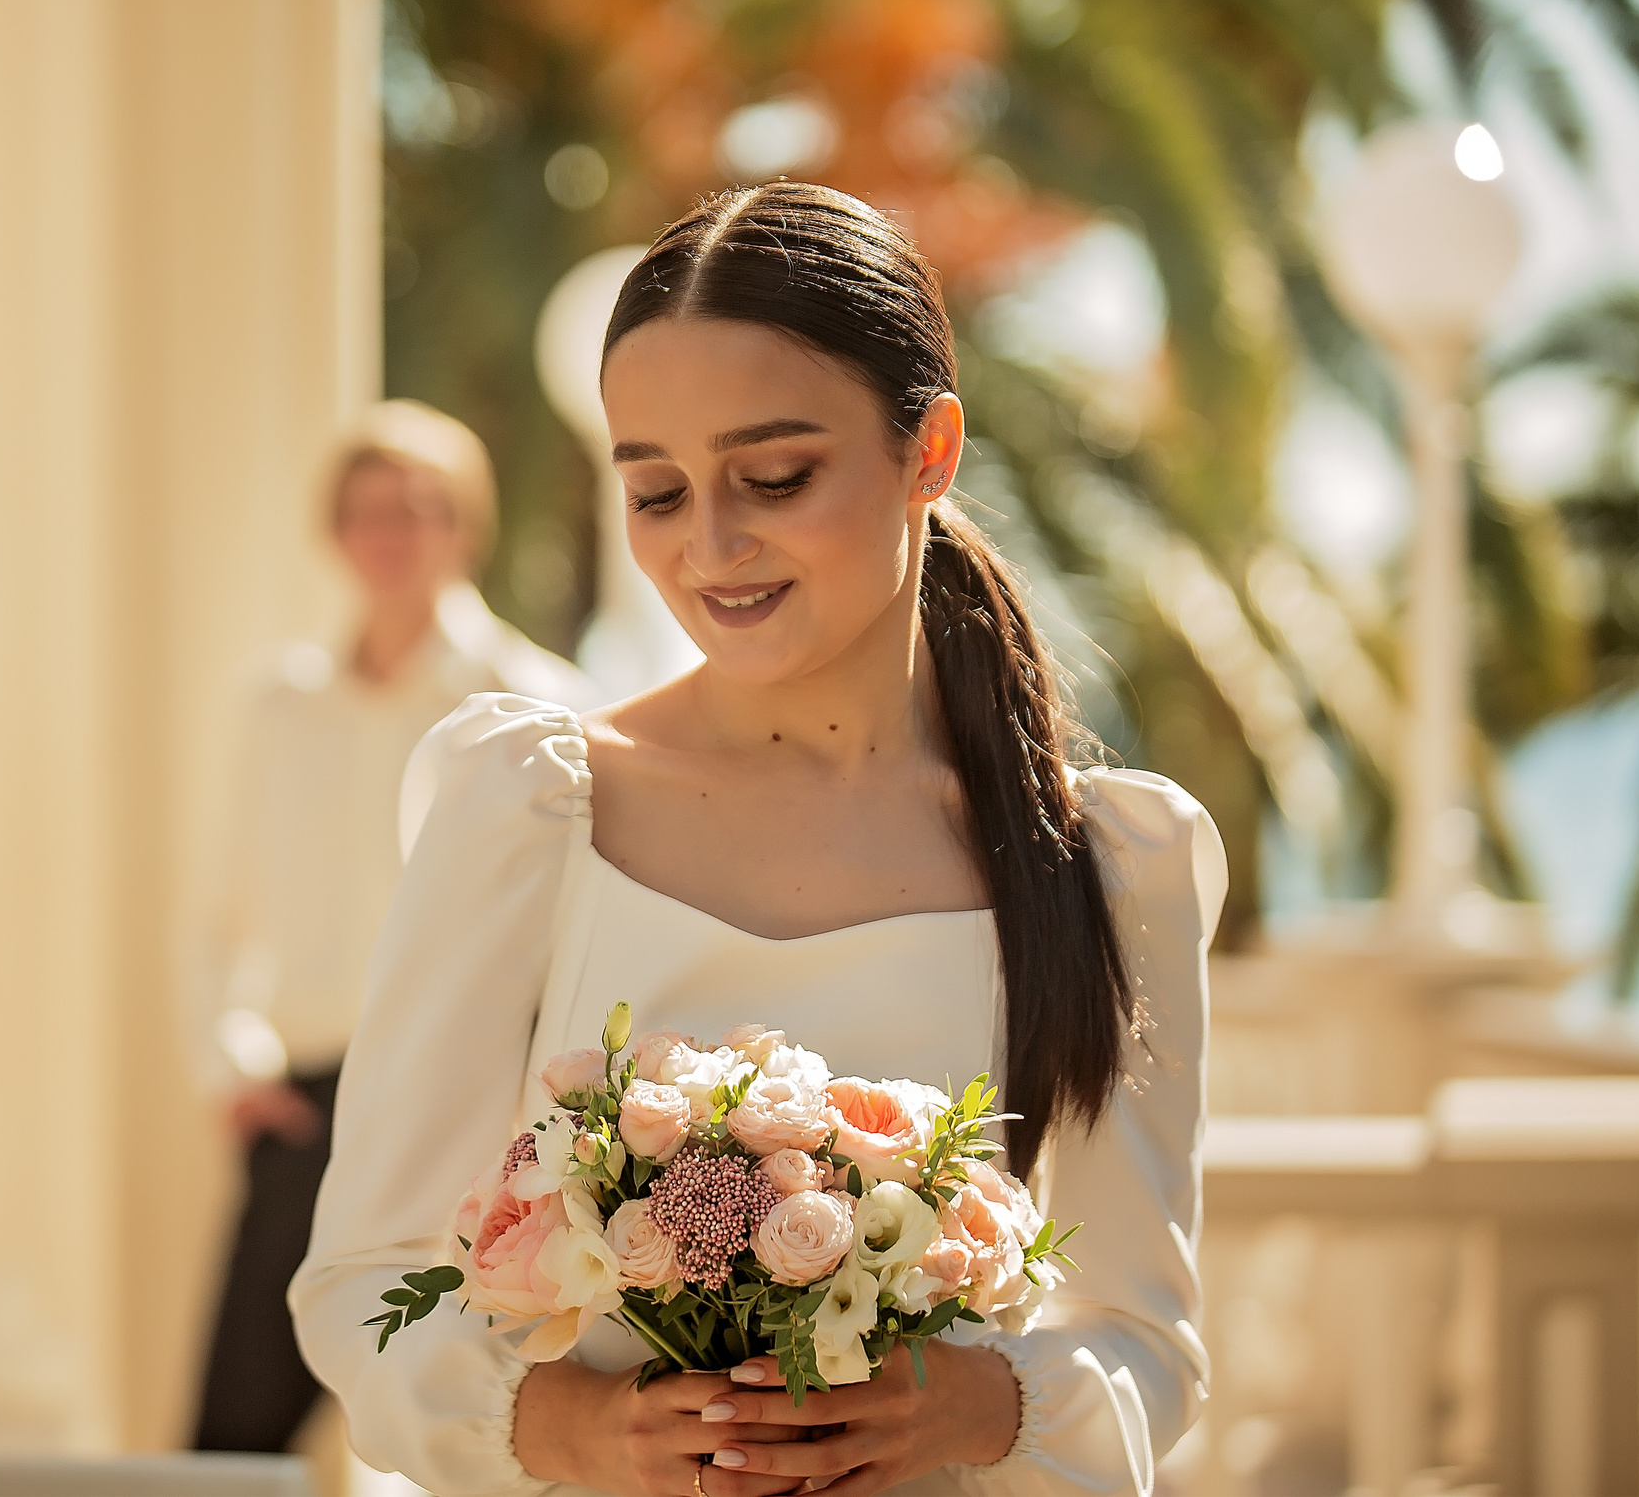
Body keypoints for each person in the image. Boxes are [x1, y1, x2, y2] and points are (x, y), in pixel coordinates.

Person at [293, 184, 1220, 1496]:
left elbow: (1146, 1343)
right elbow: (364, 1278)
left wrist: (973, 1397)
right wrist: (574, 1428)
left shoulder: (1109, 862)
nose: (712, 546)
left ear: (931, 450)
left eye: (775, 476)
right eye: (657, 491)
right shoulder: (528, 809)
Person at [192, 399, 595, 1456]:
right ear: (336, 533)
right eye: (372, 511)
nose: (397, 533)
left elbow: (568, 927)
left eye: (424, 509)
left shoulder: (532, 704)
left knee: (474, 1423)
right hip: (305, 1104)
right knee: (231, 1436)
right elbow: (220, 908)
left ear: (466, 527)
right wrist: (228, 1065)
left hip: (472, 1117)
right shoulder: (276, 707)